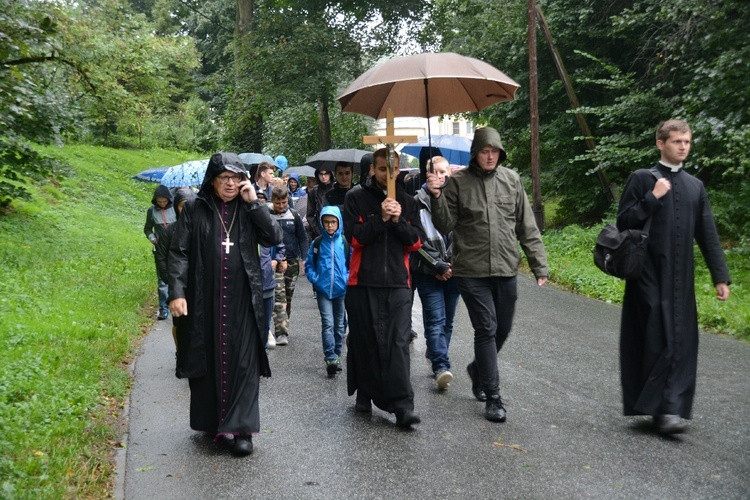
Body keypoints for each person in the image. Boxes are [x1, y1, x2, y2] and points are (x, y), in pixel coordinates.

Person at [616, 119, 730, 435]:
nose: (683, 147)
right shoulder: (642, 179)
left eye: (687, 142)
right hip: (647, 274)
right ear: (660, 143)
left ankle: (670, 409)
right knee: (657, 337)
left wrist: (720, 277)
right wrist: (652, 197)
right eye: (677, 141)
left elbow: (708, 235)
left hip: (681, 277)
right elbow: (624, 223)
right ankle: (661, 410)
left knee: (681, 340)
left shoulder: (695, 186)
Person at [427, 127, 549, 423]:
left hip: (506, 267)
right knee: (487, 327)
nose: (490, 156)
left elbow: (526, 226)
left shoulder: (511, 180)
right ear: (475, 153)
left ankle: (477, 369)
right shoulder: (457, 182)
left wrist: (539, 264)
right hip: (471, 270)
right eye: (485, 151)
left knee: (503, 328)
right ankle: (493, 397)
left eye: (494, 151)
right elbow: (444, 225)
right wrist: (436, 195)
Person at [168, 152, 283, 456]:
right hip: (204, 298)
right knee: (207, 359)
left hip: (244, 298)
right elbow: (179, 252)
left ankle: (243, 430)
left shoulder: (249, 207)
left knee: (244, 361)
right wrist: (177, 292)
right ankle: (213, 423)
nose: (231, 184)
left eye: (236, 178)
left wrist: (256, 202)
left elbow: (272, 236)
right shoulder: (194, 208)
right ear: (212, 181)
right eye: (224, 178)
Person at [344, 148, 426, 428]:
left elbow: (416, 242)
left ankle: (403, 405)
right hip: (363, 280)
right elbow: (355, 239)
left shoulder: (408, 201)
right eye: (382, 170)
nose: (387, 175)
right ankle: (365, 392)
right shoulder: (355, 198)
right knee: (365, 340)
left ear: (399, 170)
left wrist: (398, 219)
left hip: (398, 283)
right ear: (372, 171)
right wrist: (380, 217)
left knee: (398, 343)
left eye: (393, 170)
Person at [411, 156, 460, 391]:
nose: (439, 177)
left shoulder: (456, 199)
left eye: (443, 172)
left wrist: (449, 263)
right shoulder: (416, 202)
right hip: (427, 271)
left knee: (448, 320)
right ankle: (441, 365)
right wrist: (436, 264)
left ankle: (438, 350)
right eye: (435, 172)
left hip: (454, 271)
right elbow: (416, 240)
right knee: (435, 318)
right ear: (426, 174)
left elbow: (461, 234)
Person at [305, 206, 349, 377]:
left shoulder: (344, 243)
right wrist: (315, 279)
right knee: (328, 324)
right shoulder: (317, 243)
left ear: (339, 222)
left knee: (339, 325)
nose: (330, 226)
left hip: (341, 290)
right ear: (322, 223)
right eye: (326, 222)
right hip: (323, 290)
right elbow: (309, 264)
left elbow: (351, 264)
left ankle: (337, 355)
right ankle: (330, 356)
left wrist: (346, 279)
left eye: (333, 222)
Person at [156, 187, 196, 348]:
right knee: (179, 323)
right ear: (176, 207)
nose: (185, 208)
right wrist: (171, 281)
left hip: (198, 283)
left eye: (189, 204)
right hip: (177, 284)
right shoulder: (169, 231)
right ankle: (180, 352)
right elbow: (161, 258)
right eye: (182, 205)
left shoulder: (201, 228)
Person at [269, 186, 308, 346]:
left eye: (284, 202)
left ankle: (284, 323)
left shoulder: (294, 215)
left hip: (292, 262)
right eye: (277, 203)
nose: (281, 206)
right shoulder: (267, 215)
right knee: (279, 297)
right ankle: (281, 332)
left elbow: (302, 238)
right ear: (272, 201)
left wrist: (304, 259)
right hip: (275, 262)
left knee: (288, 298)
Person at [144, 184, 177, 320]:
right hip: (160, 250)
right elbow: (147, 229)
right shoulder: (151, 211)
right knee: (162, 279)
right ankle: (163, 308)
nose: (162, 204)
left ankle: (178, 302)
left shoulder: (175, 209)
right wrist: (153, 239)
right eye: (159, 202)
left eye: (164, 201)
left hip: (175, 248)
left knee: (177, 276)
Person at [306, 167, 334, 240]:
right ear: (317, 175)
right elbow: (310, 214)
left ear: (330, 174)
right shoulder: (314, 191)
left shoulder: (337, 189)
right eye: (321, 174)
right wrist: (318, 231)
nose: (323, 177)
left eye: (326, 174)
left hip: (336, 231)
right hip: (319, 232)